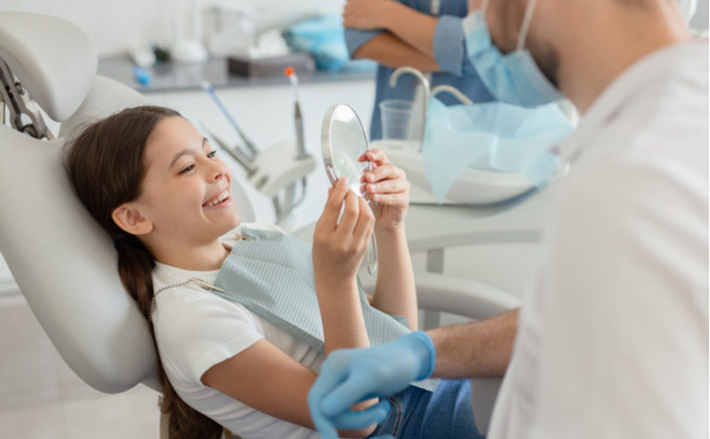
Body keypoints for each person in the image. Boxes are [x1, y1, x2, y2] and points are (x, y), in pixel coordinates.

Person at [309, 0, 709, 438]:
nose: (470, 17)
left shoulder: (623, 184)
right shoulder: (679, 117)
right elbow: (597, 314)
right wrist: (429, 350)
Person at [63, 106, 484, 439]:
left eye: (210, 153)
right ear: (134, 217)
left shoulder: (255, 237)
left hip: (420, 388)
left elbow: (391, 334)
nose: (219, 170)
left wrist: (390, 228)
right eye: (187, 168)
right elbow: (354, 422)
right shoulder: (193, 320)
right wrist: (334, 282)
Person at [343, 0, 495, 140]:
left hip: (474, 139)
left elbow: (492, 49)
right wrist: (458, 56)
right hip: (391, 136)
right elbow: (358, 36)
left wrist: (384, 11)